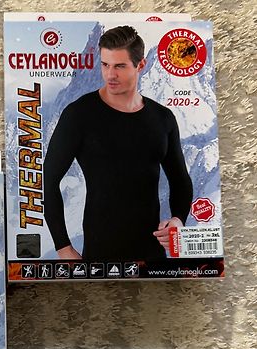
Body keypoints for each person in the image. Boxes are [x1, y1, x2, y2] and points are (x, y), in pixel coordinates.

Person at [44, 26, 193, 261]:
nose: (110, 74)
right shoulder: (79, 114)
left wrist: (178, 219)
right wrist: (63, 246)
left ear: (140, 65)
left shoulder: (163, 118)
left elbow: (180, 180)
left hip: (153, 257)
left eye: (120, 66)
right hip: (99, 257)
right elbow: (48, 179)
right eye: (105, 65)